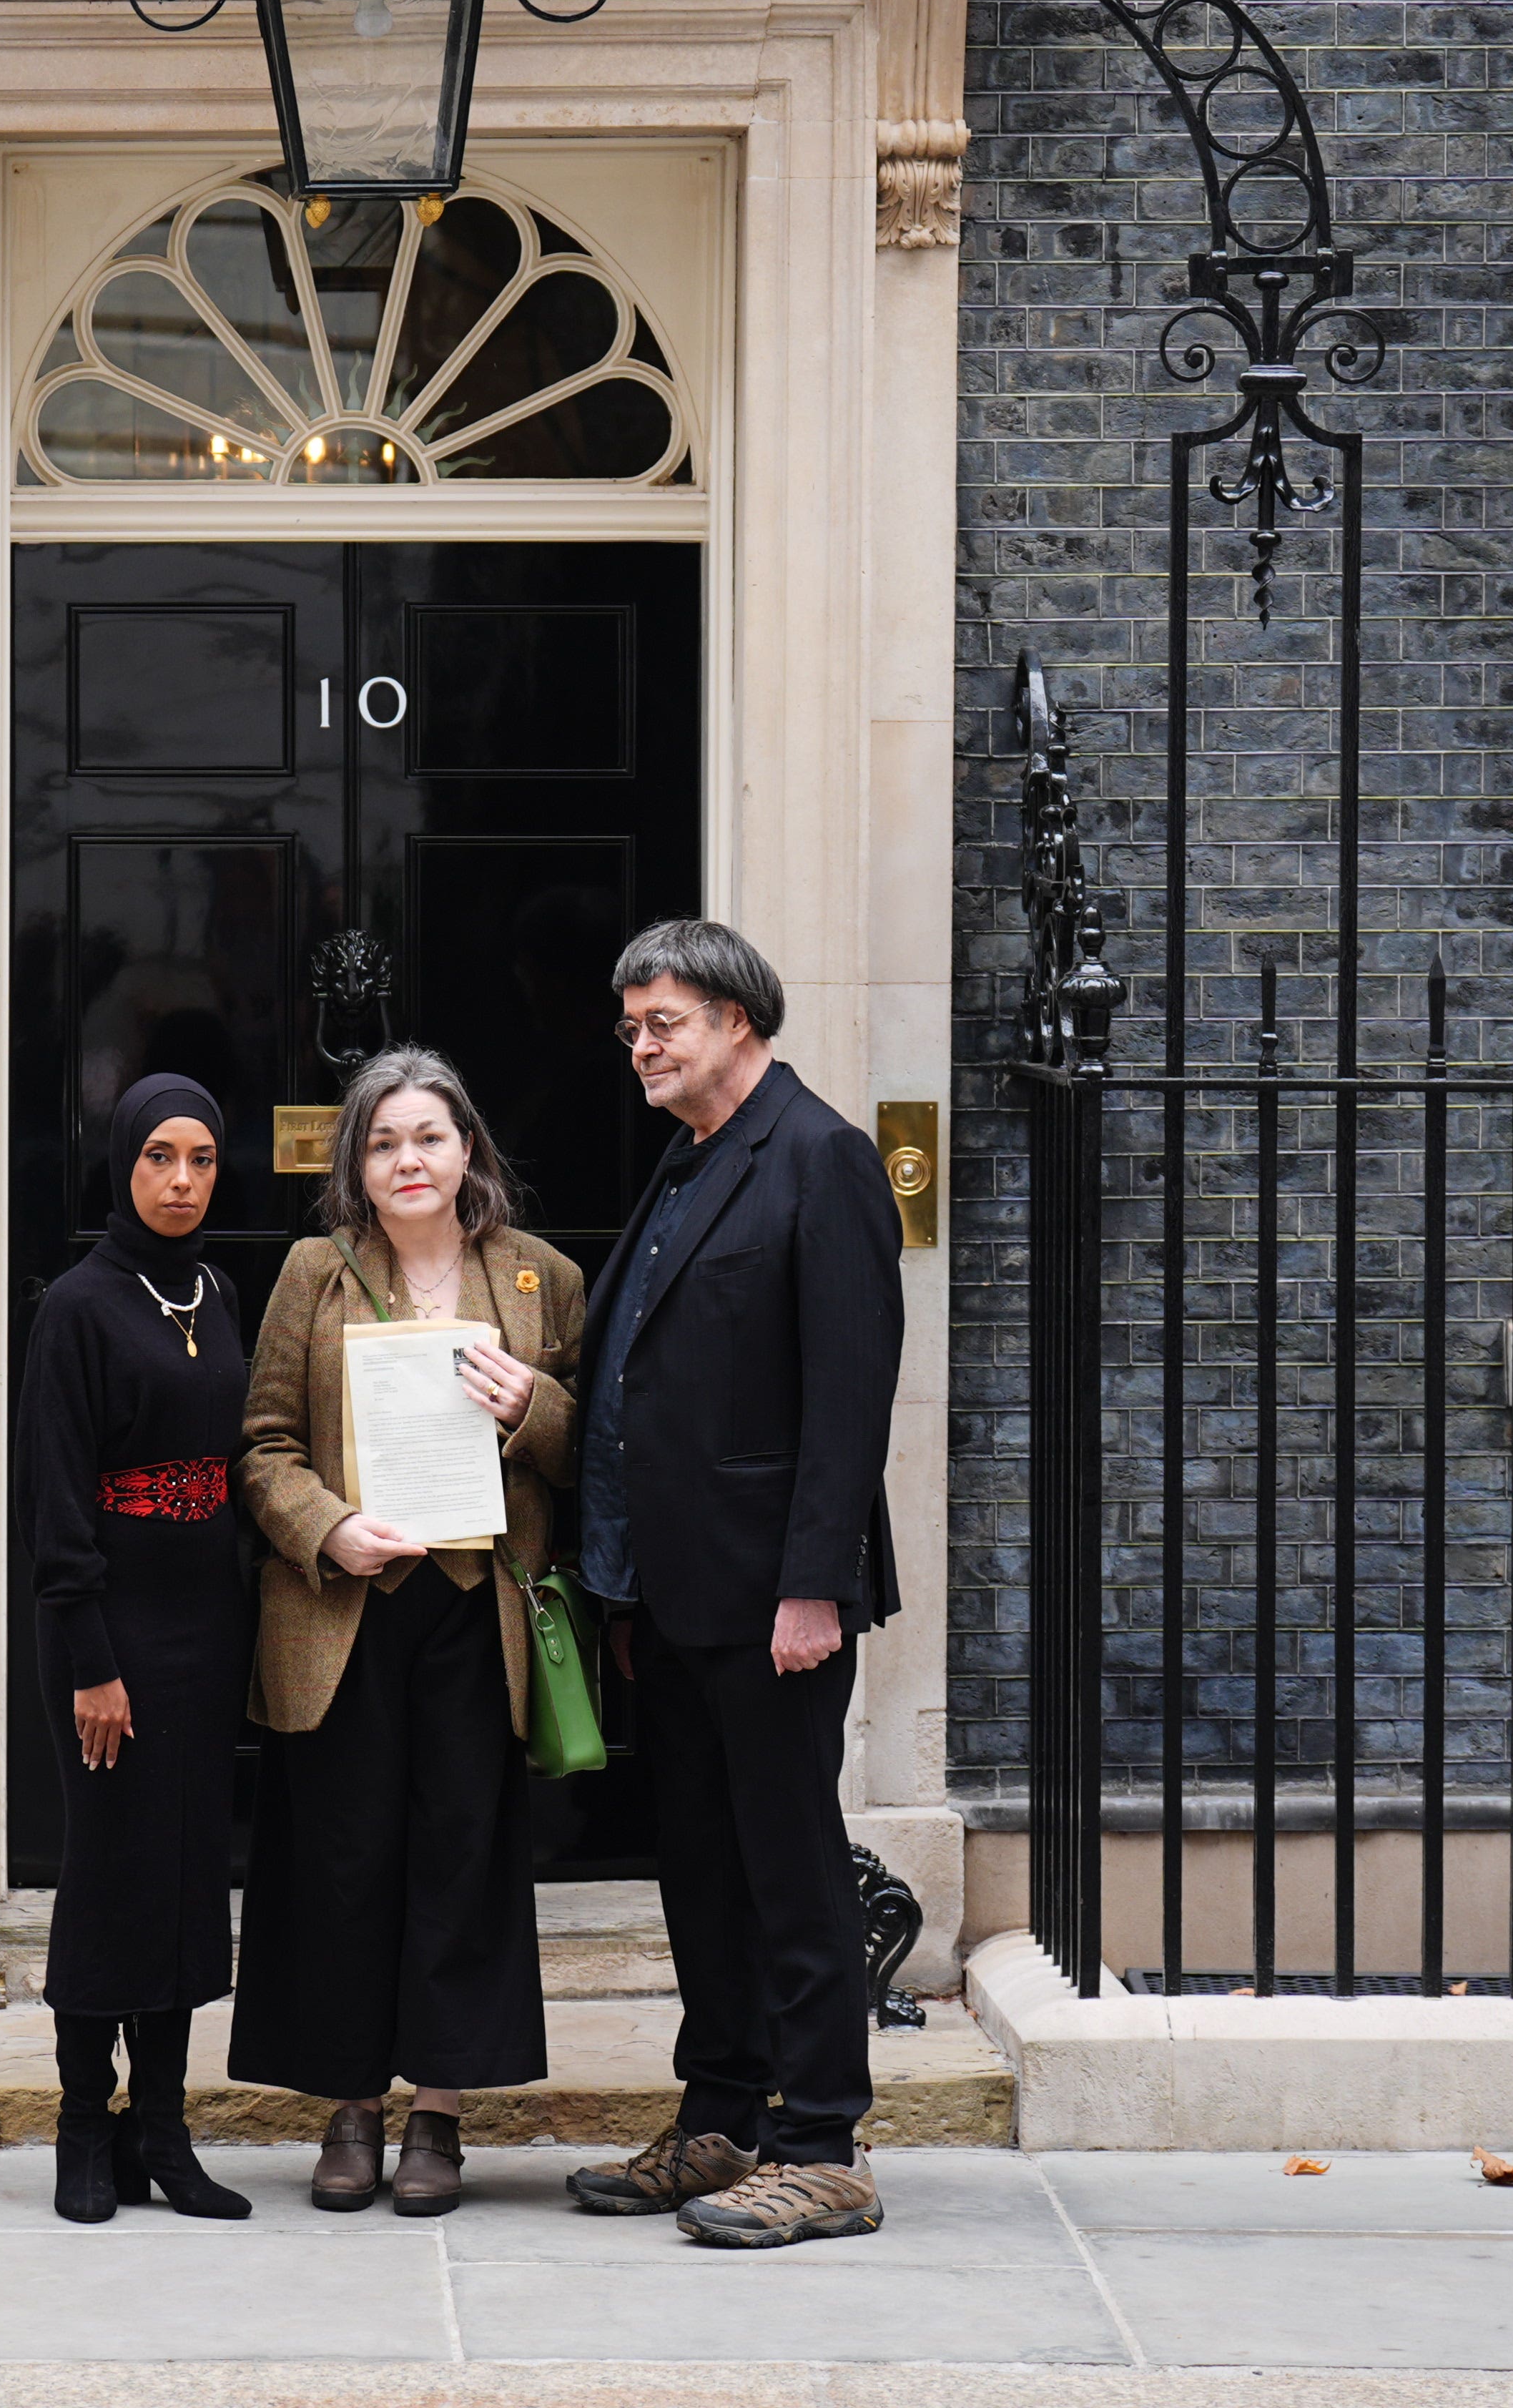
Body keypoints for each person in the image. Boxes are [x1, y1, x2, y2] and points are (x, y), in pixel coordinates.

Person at [561, 920, 907, 2248]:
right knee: (702, 1870)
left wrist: (813, 1588)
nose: (643, 1044)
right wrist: (626, 1583)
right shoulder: (692, 1160)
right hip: (676, 1593)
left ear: (743, 1021)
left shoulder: (820, 1157)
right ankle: (721, 2121)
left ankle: (822, 2146)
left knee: (789, 1867)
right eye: (634, 1025)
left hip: (775, 1602)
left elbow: (849, 1397)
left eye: (668, 1022)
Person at [230, 1046, 589, 2216]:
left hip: (476, 1611)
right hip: (350, 1606)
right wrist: (327, 1530)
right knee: (341, 1860)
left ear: (468, 1149)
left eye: (428, 1136)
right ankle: (350, 2109)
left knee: (463, 1857)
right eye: (384, 1142)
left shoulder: (542, 1281)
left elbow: (596, 1453)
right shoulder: (311, 1275)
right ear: (358, 1166)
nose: (408, 1159)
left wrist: (530, 1406)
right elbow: (262, 1447)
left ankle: (437, 2112)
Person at [14, 1070, 259, 2225]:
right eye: (160, 1156)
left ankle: (162, 2131)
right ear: (124, 1163)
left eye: (201, 1159)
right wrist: (89, 1663)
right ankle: (81, 2128)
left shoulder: (218, 1289)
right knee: (112, 1882)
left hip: (209, 1630)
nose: (180, 1179)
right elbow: (57, 1507)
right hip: (113, 1635)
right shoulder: (77, 1304)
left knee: (187, 1884)